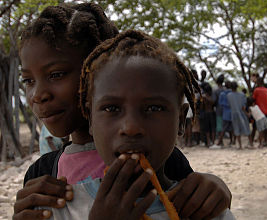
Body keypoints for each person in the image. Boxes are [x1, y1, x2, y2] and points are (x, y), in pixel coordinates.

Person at [15, 3, 231, 220]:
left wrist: (215, 190)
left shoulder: (156, 157)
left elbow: (188, 202)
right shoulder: (43, 173)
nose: (37, 94)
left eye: (56, 74)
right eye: (28, 80)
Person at [76, 29, 234, 219]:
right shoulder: (60, 209)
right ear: (91, 120)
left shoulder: (204, 210)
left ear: (182, 121)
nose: (131, 128)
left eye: (154, 108)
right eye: (111, 109)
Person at [226, 82, 250, 149]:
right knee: (246, 127)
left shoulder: (228, 95)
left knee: (236, 129)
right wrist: (246, 113)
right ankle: (251, 143)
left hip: (234, 114)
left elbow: (229, 104)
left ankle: (240, 146)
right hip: (242, 113)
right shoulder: (242, 95)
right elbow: (243, 106)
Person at [217, 81, 234, 147]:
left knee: (224, 128)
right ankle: (232, 141)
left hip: (225, 112)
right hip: (232, 112)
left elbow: (220, 103)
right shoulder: (232, 93)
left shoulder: (222, 94)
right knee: (231, 128)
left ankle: (219, 142)